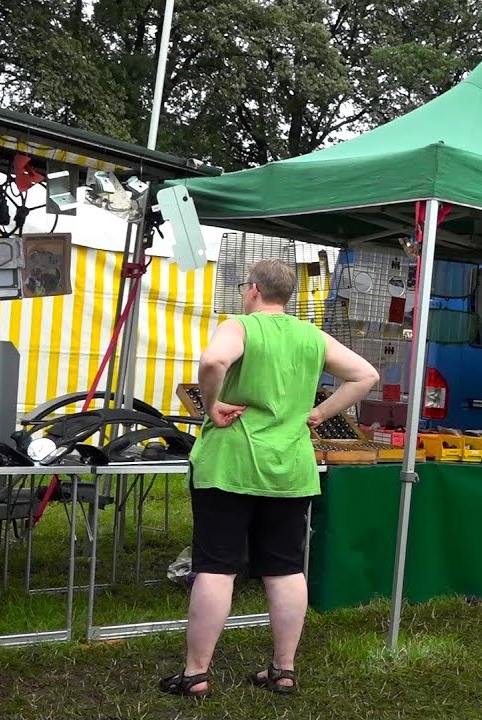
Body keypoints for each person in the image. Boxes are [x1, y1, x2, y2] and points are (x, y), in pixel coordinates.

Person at [159, 260, 379, 698]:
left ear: (253, 289)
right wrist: (317, 414)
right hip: (291, 467)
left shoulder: (239, 325)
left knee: (217, 567)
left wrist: (213, 402)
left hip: (230, 463)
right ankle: (284, 669)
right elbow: (366, 375)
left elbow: (213, 360)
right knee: (284, 568)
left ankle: (196, 674)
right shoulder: (310, 335)